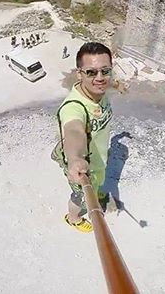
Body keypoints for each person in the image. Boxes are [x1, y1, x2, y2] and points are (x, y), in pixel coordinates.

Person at [51, 42, 114, 233]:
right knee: (79, 196)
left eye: (105, 71)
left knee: (98, 182)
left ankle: (96, 193)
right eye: (91, 72)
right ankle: (73, 218)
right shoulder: (74, 106)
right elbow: (74, 131)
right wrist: (75, 158)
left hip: (98, 159)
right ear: (79, 73)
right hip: (83, 166)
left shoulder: (98, 93)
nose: (100, 78)